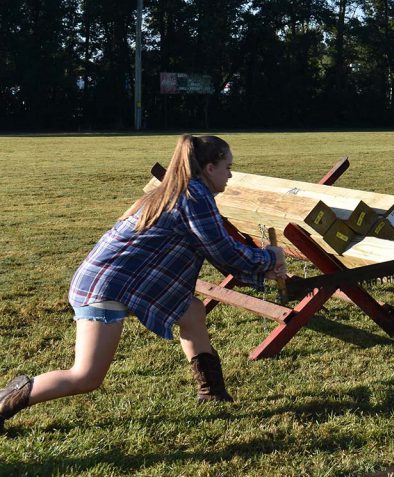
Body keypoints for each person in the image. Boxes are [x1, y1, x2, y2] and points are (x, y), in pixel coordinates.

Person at [0, 135, 286, 431]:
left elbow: (214, 250)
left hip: (119, 281)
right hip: (107, 287)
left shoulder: (178, 190)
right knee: (86, 376)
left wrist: (262, 267)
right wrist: (270, 256)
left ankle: (211, 393)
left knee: (192, 311)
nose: (230, 174)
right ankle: (2, 403)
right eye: (228, 166)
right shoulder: (194, 195)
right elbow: (223, 250)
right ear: (210, 168)